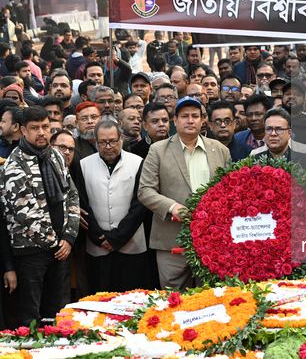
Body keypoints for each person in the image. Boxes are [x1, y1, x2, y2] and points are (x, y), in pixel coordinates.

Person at [138, 96, 230, 289]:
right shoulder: (157, 150)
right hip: (171, 238)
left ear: (202, 120)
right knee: (175, 299)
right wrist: (172, 207)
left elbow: (230, 192)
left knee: (211, 298)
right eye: (184, 116)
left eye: (195, 116)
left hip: (213, 239)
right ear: (175, 121)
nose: (190, 120)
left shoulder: (220, 150)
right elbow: (145, 190)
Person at [0, 106, 79, 326]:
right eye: (35, 128)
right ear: (23, 130)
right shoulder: (14, 164)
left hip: (61, 248)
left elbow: (71, 194)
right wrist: (56, 244)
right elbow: (26, 214)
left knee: (56, 314)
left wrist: (69, 237)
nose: (42, 132)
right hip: (30, 251)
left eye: (45, 127)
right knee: (30, 316)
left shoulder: (55, 155)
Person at [79, 120, 149, 293]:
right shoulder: (84, 164)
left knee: (131, 297)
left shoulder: (137, 162)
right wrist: (99, 237)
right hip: (98, 245)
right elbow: (82, 203)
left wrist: (117, 237)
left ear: (121, 139)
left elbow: (140, 204)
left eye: (112, 141)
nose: (108, 146)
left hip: (131, 244)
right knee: (100, 295)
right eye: (102, 142)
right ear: (96, 141)